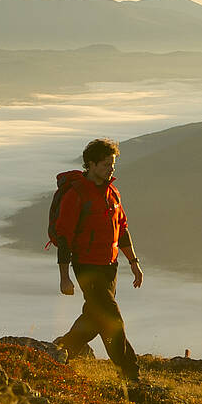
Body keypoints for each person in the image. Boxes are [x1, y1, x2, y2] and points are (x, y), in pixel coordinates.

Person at [50, 138, 145, 383]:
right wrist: (64, 277)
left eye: (112, 164)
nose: (110, 169)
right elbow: (64, 237)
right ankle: (130, 372)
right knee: (111, 318)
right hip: (87, 266)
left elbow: (122, 229)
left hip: (109, 267)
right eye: (105, 165)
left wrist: (134, 263)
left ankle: (59, 350)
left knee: (94, 318)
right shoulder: (76, 194)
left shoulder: (113, 192)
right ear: (90, 165)